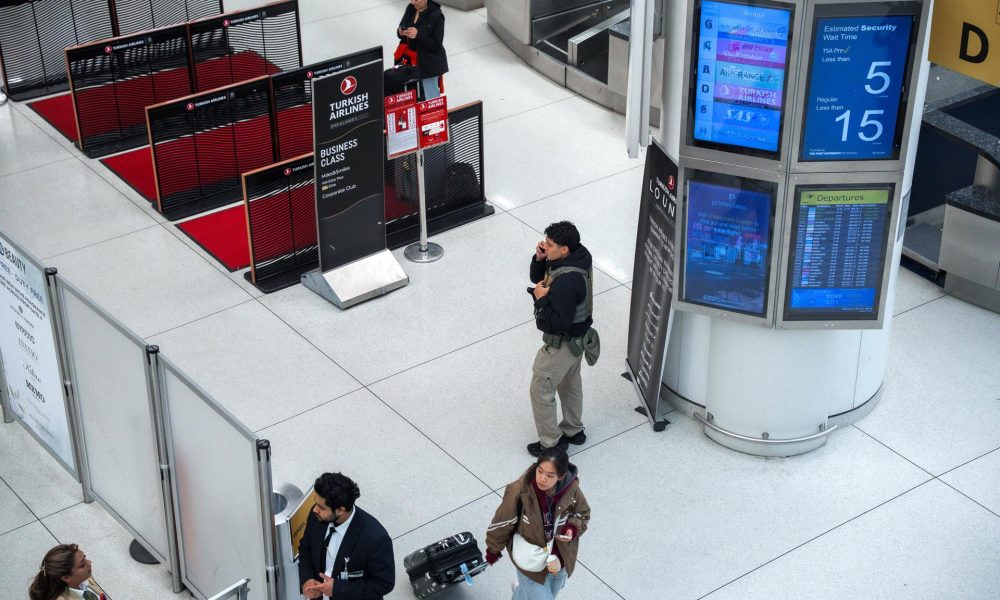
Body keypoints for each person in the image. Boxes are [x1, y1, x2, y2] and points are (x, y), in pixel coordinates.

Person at [526, 221, 598, 457]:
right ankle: (574, 430)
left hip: (562, 344)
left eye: (550, 244)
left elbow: (557, 323)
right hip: (578, 340)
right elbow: (540, 276)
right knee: (569, 383)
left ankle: (551, 443)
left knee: (541, 387)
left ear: (564, 249)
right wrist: (540, 259)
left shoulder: (567, 282)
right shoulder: (577, 257)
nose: (545, 246)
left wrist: (540, 300)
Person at [484, 447, 590, 600]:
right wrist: (492, 551)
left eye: (550, 475)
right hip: (530, 562)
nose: (542, 478)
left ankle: (520, 593)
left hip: (559, 559)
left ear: (561, 476)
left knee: (551, 592)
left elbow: (582, 514)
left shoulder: (571, 490)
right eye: (539, 471)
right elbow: (502, 522)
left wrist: (571, 529)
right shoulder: (519, 491)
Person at [298, 472, 395, 599]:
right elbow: (306, 549)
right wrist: (307, 578)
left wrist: (338, 589)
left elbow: (384, 583)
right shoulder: (317, 516)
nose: (315, 509)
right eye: (315, 503)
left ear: (340, 510)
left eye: (321, 507)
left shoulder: (376, 539)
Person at [395, 0, 448, 99]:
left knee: (430, 95)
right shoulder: (411, 8)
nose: (413, 2)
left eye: (416, 0)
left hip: (429, 62)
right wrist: (400, 32)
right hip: (409, 60)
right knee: (409, 93)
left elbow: (436, 45)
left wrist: (418, 35)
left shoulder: (437, 16)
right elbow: (401, 28)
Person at [29, 543, 108, 600]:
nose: (90, 562)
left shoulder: (86, 578)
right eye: (83, 564)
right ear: (66, 577)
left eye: (85, 558)